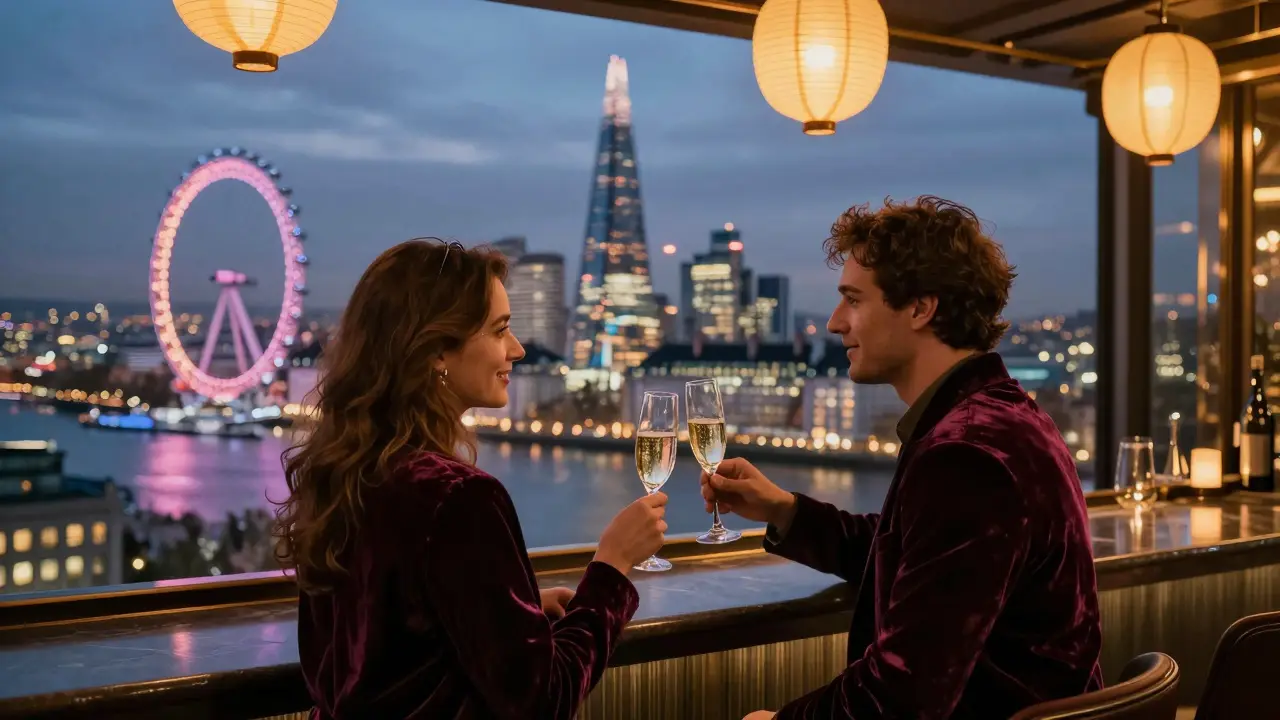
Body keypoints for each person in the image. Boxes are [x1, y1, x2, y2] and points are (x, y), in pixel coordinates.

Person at [707, 198, 1104, 720]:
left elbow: (900, 697)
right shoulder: (1006, 418)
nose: (833, 322)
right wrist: (785, 511)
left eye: (853, 300)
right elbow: (924, 554)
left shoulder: (966, 454)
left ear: (921, 308)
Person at [275, 238, 667, 719]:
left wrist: (503, 613)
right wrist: (612, 566)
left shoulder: (343, 472)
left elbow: (373, 641)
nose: (517, 349)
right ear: (439, 349)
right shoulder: (458, 496)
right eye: (500, 329)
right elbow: (544, 699)